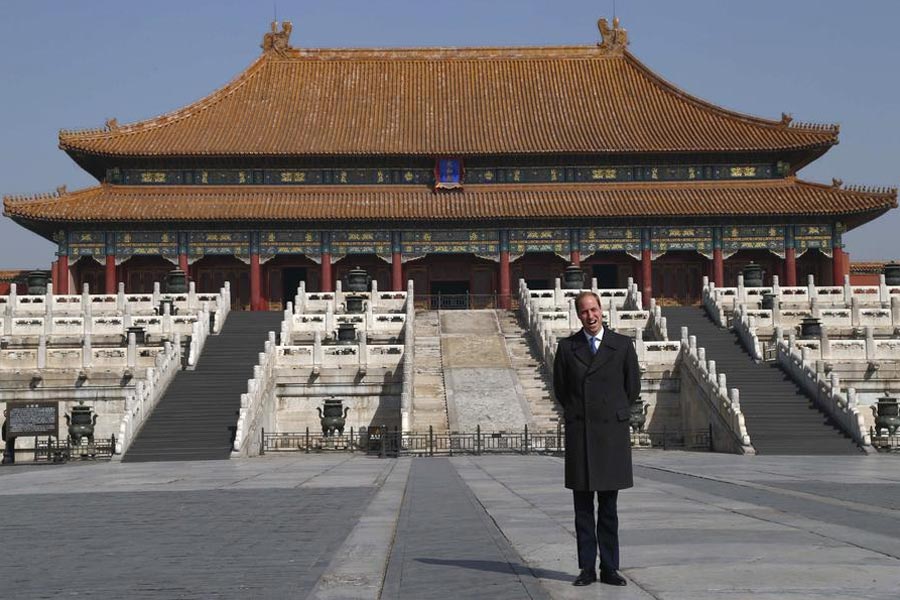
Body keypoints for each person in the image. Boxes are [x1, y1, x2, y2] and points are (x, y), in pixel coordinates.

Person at [553, 290, 640, 587]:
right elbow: (561, 390)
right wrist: (581, 413)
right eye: (583, 312)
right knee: (582, 509)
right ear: (578, 315)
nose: (590, 316)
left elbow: (632, 388)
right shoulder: (568, 348)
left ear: (602, 310)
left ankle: (610, 567)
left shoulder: (622, 345)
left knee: (608, 508)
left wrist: (611, 412)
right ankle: (587, 568)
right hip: (581, 433)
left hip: (610, 436)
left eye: (593, 310)